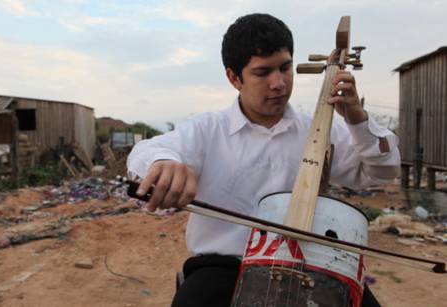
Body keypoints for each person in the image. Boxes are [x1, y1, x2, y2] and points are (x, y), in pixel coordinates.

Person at [127, 13, 400, 307]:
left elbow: (382, 172)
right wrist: (163, 163)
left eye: (285, 68)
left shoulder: (320, 128)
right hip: (226, 266)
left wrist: (357, 119)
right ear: (234, 78)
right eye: (262, 72)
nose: (278, 83)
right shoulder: (208, 129)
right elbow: (145, 153)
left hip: (314, 265)